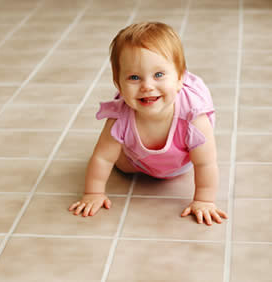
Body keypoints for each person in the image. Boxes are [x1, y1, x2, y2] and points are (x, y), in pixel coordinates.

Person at [68, 22, 228, 226]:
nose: (147, 86)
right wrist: (93, 193)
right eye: (134, 77)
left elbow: (205, 163)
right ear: (118, 84)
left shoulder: (192, 116)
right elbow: (102, 158)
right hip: (136, 161)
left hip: (180, 163)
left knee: (200, 156)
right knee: (121, 164)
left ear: (180, 79)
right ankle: (137, 160)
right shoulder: (120, 117)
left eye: (159, 75)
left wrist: (204, 200)